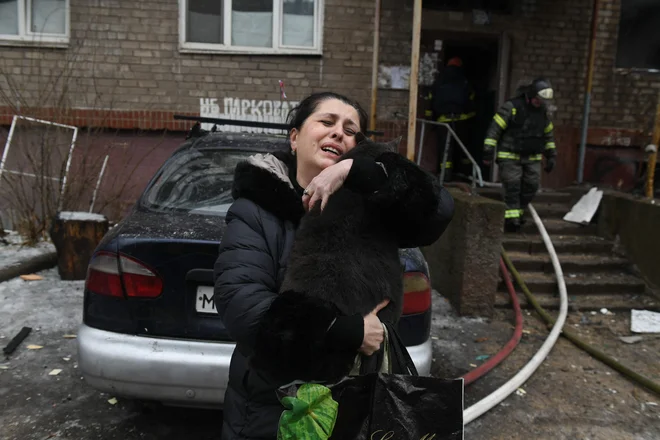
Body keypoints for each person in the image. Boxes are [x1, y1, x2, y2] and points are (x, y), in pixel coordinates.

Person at [213, 91, 455, 440]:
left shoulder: (370, 209)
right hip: (274, 412)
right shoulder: (256, 212)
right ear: (294, 138)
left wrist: (359, 171)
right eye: (326, 122)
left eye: (350, 130)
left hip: (361, 406)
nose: (339, 133)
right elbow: (243, 307)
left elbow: (439, 210)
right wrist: (345, 330)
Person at [483, 78, 557, 232]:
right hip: (509, 155)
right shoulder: (512, 107)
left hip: (532, 157)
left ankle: (518, 212)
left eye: (542, 101)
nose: (539, 103)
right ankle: (511, 219)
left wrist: (551, 156)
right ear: (531, 95)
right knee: (512, 186)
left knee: (532, 185)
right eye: (537, 99)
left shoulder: (543, 113)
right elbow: (494, 130)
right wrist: (488, 151)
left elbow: (548, 135)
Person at [428, 57, 476, 180]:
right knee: (463, 148)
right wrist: (471, 119)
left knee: (445, 149)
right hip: (462, 121)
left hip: (443, 122)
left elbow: (430, 100)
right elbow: (471, 100)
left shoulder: (439, 81)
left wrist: (431, 120)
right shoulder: (464, 81)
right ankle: (466, 174)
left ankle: (445, 176)